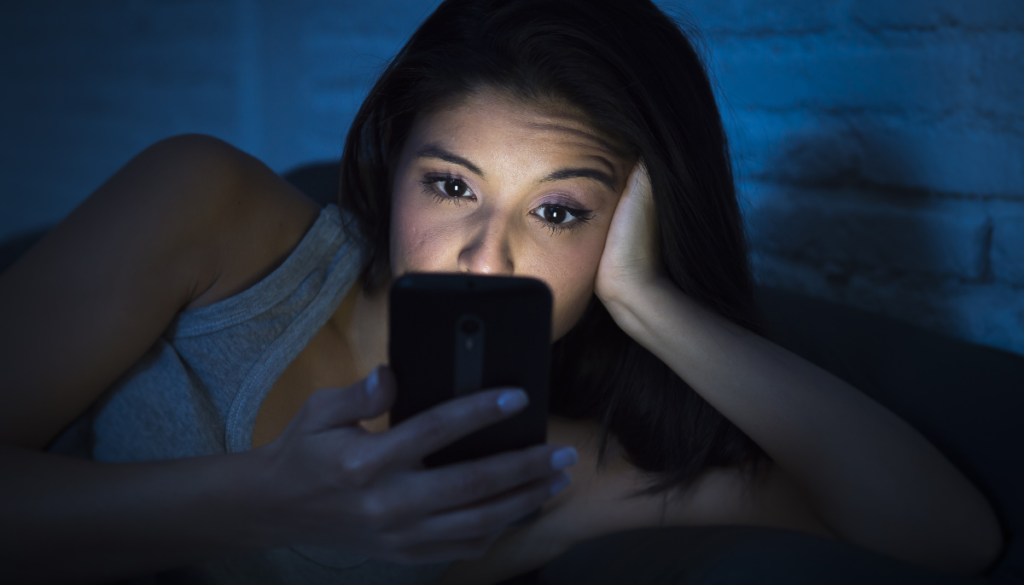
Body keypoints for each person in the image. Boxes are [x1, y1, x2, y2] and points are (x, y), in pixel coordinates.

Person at [0, 0, 1003, 583]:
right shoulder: (208, 206)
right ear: (392, 166)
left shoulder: (569, 472)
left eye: (558, 212)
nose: (486, 255)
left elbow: (945, 540)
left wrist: (650, 302)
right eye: (451, 187)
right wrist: (261, 502)